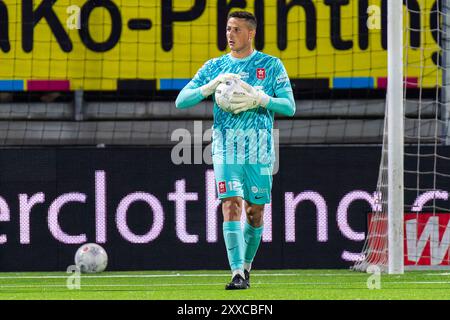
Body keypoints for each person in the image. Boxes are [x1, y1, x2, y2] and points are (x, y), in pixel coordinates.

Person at [175, 11, 296, 290]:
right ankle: (236, 273)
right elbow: (181, 101)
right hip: (226, 147)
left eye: (237, 30)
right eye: (228, 29)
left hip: (259, 149)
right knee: (231, 205)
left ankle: (246, 266)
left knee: (255, 213)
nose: (230, 35)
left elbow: (289, 107)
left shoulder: (271, 65)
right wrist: (210, 85)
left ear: (251, 33)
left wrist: (260, 98)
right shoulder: (215, 66)